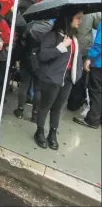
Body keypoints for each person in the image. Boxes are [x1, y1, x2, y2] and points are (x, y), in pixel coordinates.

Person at [35, 11, 83, 150]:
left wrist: (77, 75)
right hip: (51, 79)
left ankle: (52, 133)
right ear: (69, 18)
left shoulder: (74, 38)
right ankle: (39, 132)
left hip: (67, 79)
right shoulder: (52, 35)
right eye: (78, 18)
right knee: (46, 106)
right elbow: (43, 55)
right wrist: (62, 46)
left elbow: (77, 60)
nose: (80, 21)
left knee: (57, 108)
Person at [13, 0, 54, 122]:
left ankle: (20, 110)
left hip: (28, 57)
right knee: (38, 88)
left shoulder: (31, 25)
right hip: (43, 60)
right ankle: (35, 115)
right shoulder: (52, 28)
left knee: (24, 85)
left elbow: (23, 40)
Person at [73, 23, 102, 129]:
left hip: (99, 63)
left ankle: (92, 120)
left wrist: (89, 58)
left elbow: (99, 44)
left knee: (96, 91)